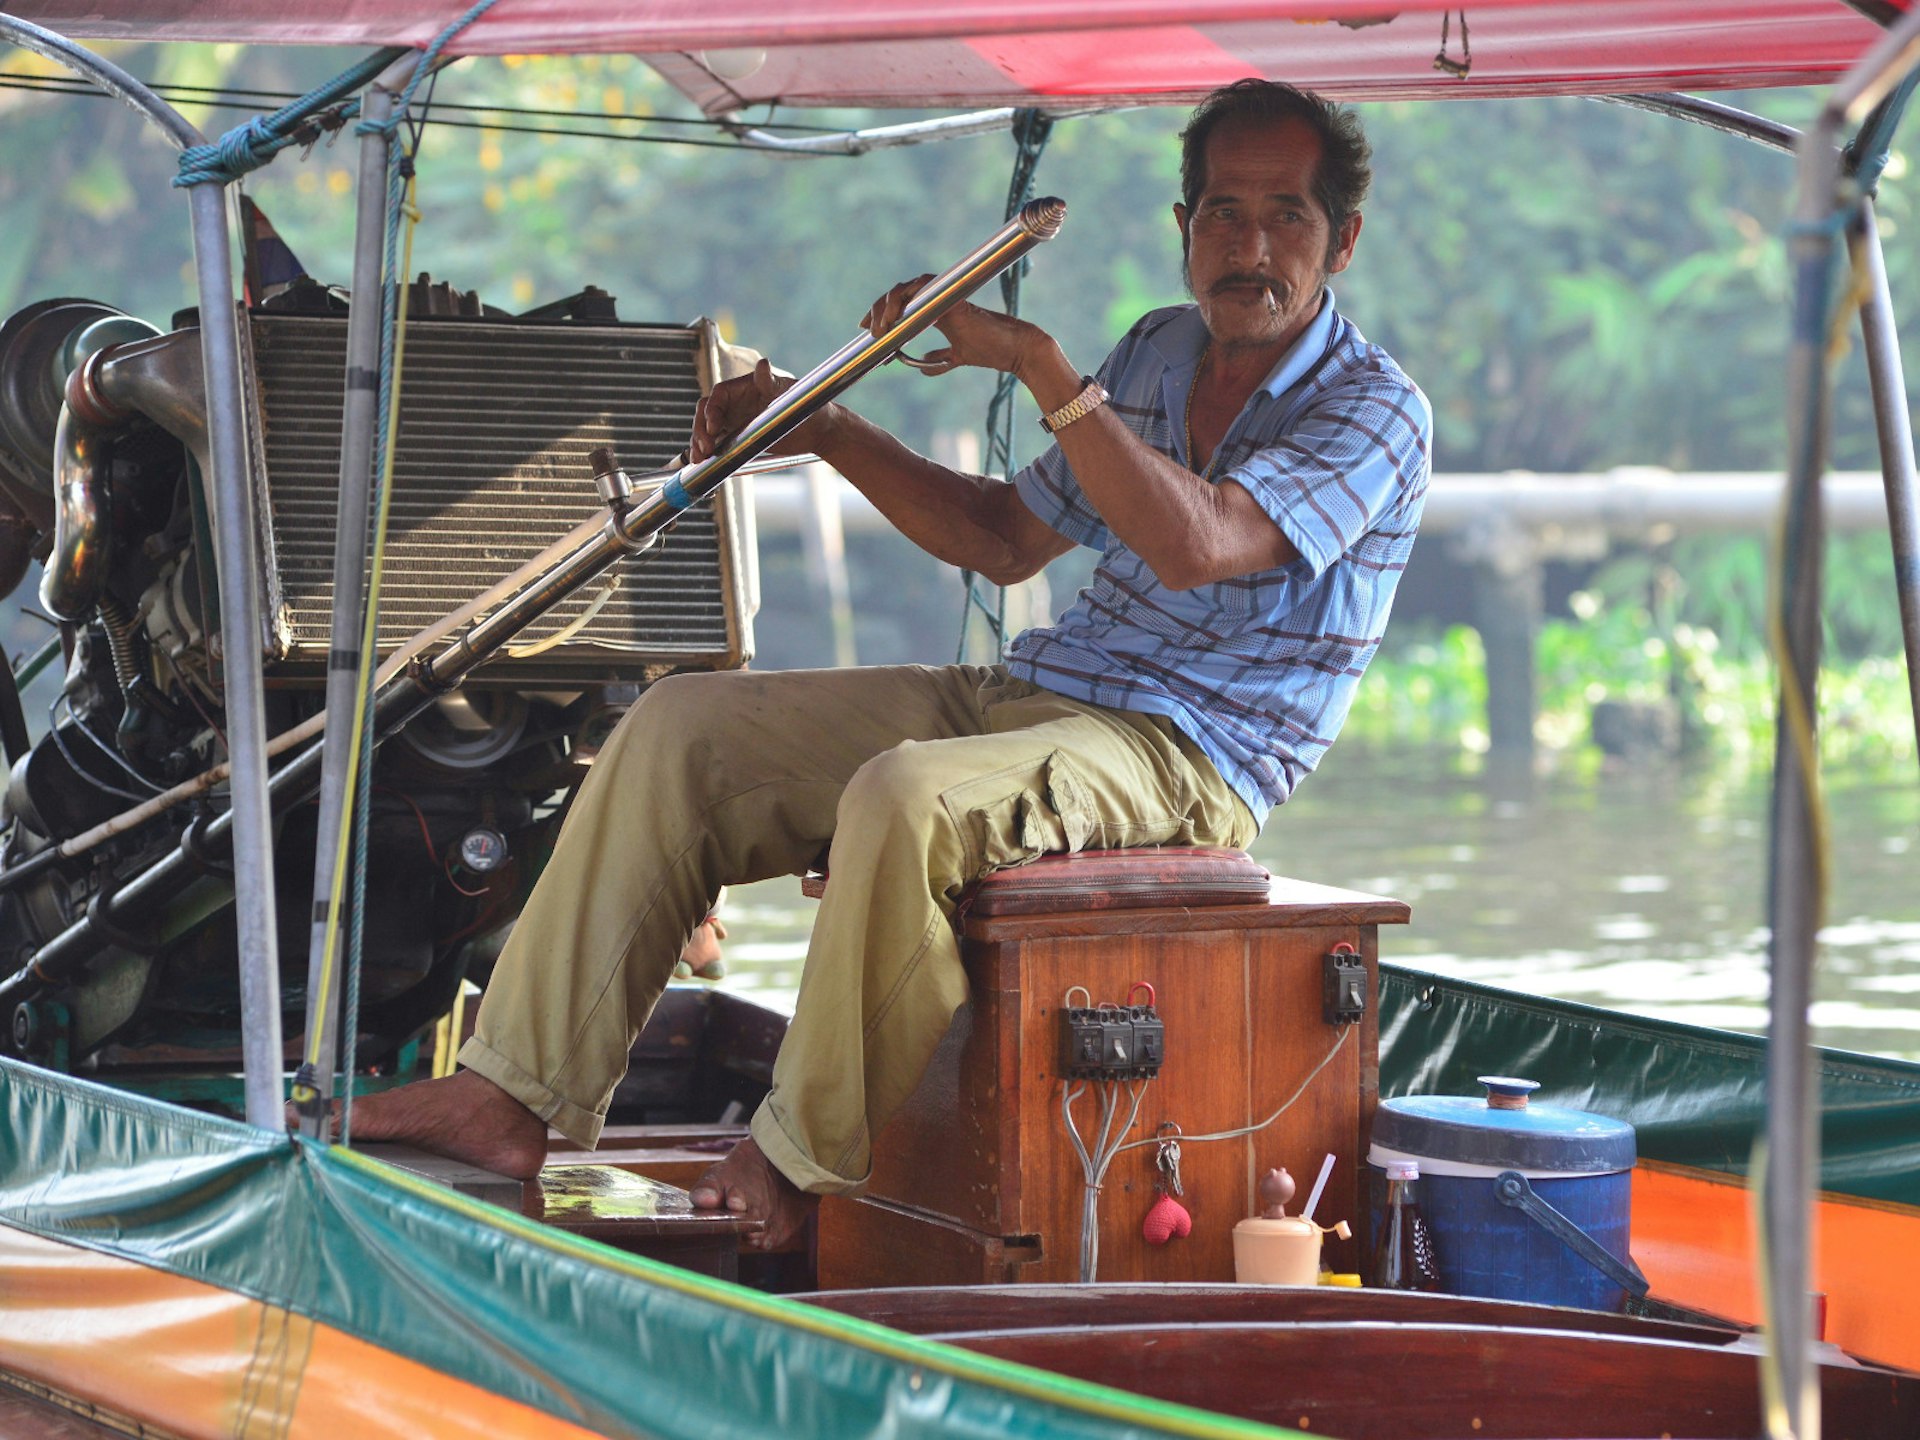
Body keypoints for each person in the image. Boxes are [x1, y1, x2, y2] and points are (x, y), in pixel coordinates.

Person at [347, 79, 1431, 1250]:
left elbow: (1197, 542)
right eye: (1223, 213)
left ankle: (793, 1158)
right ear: (1184, 227)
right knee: (681, 728)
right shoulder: (1164, 350)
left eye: (1287, 218)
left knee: (906, 795)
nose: (1250, 248)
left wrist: (1034, 362)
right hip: (1045, 694)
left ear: (1342, 240)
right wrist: (829, 428)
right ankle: (512, 1095)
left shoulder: (1375, 410)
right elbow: (1002, 536)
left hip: (1192, 754)